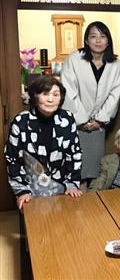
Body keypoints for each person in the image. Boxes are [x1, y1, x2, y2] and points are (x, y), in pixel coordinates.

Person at [4, 76, 83, 210]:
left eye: (55, 94)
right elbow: (11, 159)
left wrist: (72, 184)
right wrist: (21, 191)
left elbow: (74, 154)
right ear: (35, 97)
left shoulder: (67, 119)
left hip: (62, 186)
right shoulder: (21, 121)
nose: (50, 99)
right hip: (30, 188)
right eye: (45, 94)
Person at [61, 21, 120, 186]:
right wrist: (82, 120)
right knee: (75, 169)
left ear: (108, 41)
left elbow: (114, 94)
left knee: (94, 170)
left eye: (102, 36)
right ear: (86, 40)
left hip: (98, 125)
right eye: (93, 36)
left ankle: (92, 205)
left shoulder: (114, 63)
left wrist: (99, 120)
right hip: (75, 123)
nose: (98, 40)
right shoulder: (74, 59)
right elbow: (68, 91)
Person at [88, 126, 120, 191]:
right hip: (110, 196)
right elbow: (98, 182)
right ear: (117, 145)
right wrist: (92, 196)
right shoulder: (108, 160)